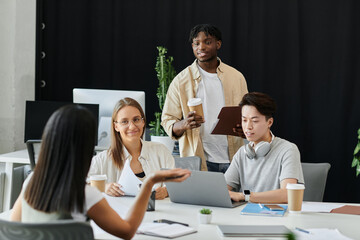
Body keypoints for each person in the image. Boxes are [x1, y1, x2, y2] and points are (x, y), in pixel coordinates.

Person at [10, 105, 190, 240]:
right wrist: (149, 182)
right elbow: (127, 231)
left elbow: (14, 227)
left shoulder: (32, 181)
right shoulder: (84, 193)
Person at [161, 24, 248, 172]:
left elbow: (249, 115)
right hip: (199, 160)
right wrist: (184, 124)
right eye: (196, 43)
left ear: (218, 44)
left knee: (234, 196)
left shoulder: (236, 77)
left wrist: (244, 128)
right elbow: (167, 120)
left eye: (207, 42)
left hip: (235, 158)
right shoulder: (181, 81)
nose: (201, 47)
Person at [225, 92, 304, 203]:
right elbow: (222, 190)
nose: (248, 127)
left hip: (276, 217)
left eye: (255, 121)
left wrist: (245, 196)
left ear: (269, 122)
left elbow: (287, 194)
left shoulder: (288, 150)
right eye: (244, 120)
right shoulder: (242, 153)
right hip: (244, 216)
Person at [89, 97, 175, 199]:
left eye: (136, 119)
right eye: (124, 121)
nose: (132, 126)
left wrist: (165, 191)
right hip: (120, 214)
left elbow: (175, 184)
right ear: (116, 126)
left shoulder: (161, 151)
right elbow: (79, 185)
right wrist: (103, 187)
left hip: (158, 213)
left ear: (143, 122)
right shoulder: (102, 159)